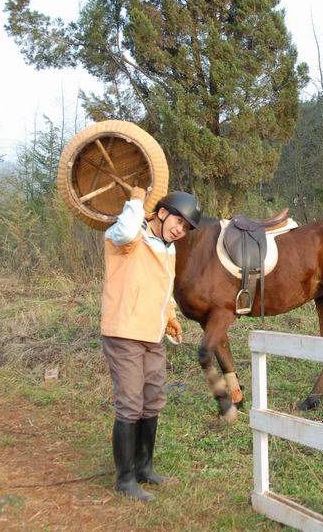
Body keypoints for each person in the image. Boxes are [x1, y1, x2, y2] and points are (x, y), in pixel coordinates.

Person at [100, 187, 202, 502]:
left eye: (186, 228)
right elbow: (127, 231)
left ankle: (144, 468)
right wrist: (135, 201)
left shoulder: (167, 248)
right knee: (130, 403)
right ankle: (125, 479)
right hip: (124, 332)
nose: (180, 230)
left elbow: (161, 288)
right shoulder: (126, 235)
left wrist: (169, 316)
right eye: (178, 221)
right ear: (160, 212)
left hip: (152, 334)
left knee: (152, 399)